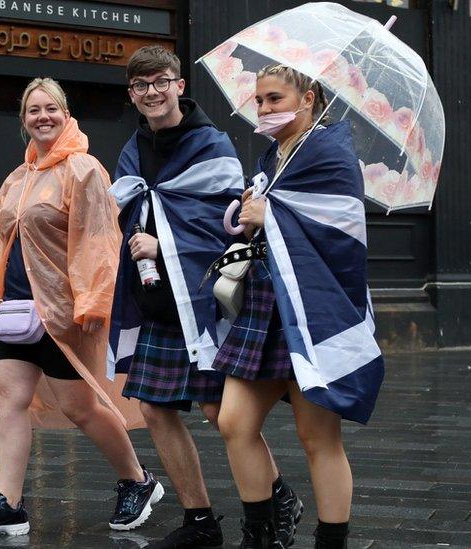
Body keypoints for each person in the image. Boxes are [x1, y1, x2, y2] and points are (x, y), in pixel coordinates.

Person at [107, 46, 301, 549]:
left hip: (201, 301)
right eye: (140, 85)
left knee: (221, 414)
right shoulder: (133, 147)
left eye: (160, 82)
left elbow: (226, 229)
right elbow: (130, 203)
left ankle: (278, 497)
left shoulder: (211, 144)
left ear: (179, 86)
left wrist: (163, 241)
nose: (151, 92)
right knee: (153, 407)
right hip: (153, 297)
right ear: (132, 94)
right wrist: (140, 236)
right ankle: (200, 521)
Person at [0, 77, 161, 538]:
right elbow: (1, 240)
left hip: (61, 309)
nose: (42, 117)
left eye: (51, 108)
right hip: (14, 309)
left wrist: (90, 301)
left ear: (66, 115)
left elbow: (100, 239)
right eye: (33, 110)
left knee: (79, 406)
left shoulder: (83, 169)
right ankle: (8, 503)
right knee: (10, 398)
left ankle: (138, 479)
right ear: (23, 120)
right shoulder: (18, 177)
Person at [214, 64, 385, 548]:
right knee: (233, 421)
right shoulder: (276, 154)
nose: (264, 109)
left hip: (312, 310)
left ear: (308, 98)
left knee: (318, 437)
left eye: (273, 98)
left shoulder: (330, 153)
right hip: (266, 307)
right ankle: (260, 534)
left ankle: (332, 541)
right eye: (260, 100)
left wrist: (272, 214)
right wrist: (252, 215)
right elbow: (278, 219)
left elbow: (342, 233)